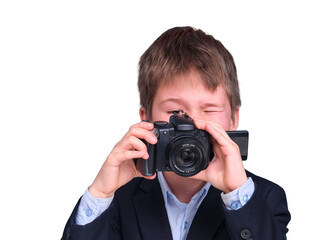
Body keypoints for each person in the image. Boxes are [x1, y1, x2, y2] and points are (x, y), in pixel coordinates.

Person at [62, 26, 291, 240]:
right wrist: (100, 193)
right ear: (146, 119)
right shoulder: (117, 199)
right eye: (175, 111)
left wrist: (236, 193)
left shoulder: (263, 198)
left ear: (234, 120)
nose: (191, 125)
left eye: (209, 109)